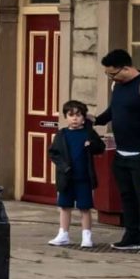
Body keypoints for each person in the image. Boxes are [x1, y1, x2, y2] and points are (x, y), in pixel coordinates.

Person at [91, 49, 140, 252]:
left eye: (112, 74)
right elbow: (113, 110)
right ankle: (131, 235)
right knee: (126, 196)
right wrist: (95, 120)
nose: (110, 78)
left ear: (126, 68)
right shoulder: (118, 85)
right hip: (121, 151)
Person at [48, 100, 102, 248]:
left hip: (84, 177)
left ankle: (86, 236)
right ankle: (63, 234)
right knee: (65, 206)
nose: (75, 118)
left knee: (85, 207)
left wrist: (91, 144)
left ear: (84, 117)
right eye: (71, 115)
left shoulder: (88, 133)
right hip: (66, 177)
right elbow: (53, 153)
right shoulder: (62, 134)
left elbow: (100, 147)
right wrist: (63, 167)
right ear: (66, 117)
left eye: (78, 115)